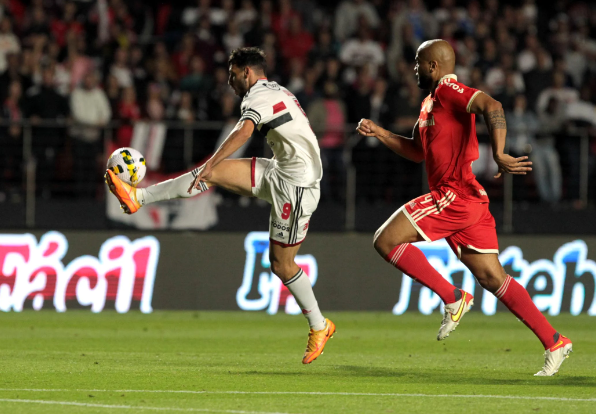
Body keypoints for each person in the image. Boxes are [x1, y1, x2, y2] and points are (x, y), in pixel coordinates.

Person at [105, 47, 335, 364]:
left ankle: (319, 325)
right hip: (281, 170)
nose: (229, 81)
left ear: (246, 72)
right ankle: (138, 197)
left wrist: (214, 160)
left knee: (281, 264)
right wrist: (212, 166)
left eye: (231, 75)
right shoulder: (276, 89)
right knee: (208, 175)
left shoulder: (256, 97)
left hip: (297, 187)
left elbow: (245, 130)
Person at [356, 39, 572, 377]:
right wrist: (380, 132)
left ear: (433, 66)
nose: (413, 68)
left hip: (453, 194)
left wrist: (499, 152)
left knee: (385, 240)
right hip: (468, 199)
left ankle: (453, 296)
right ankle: (554, 340)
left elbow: (492, 105)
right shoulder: (430, 103)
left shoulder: (448, 90)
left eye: (418, 61)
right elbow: (416, 151)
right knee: (492, 276)